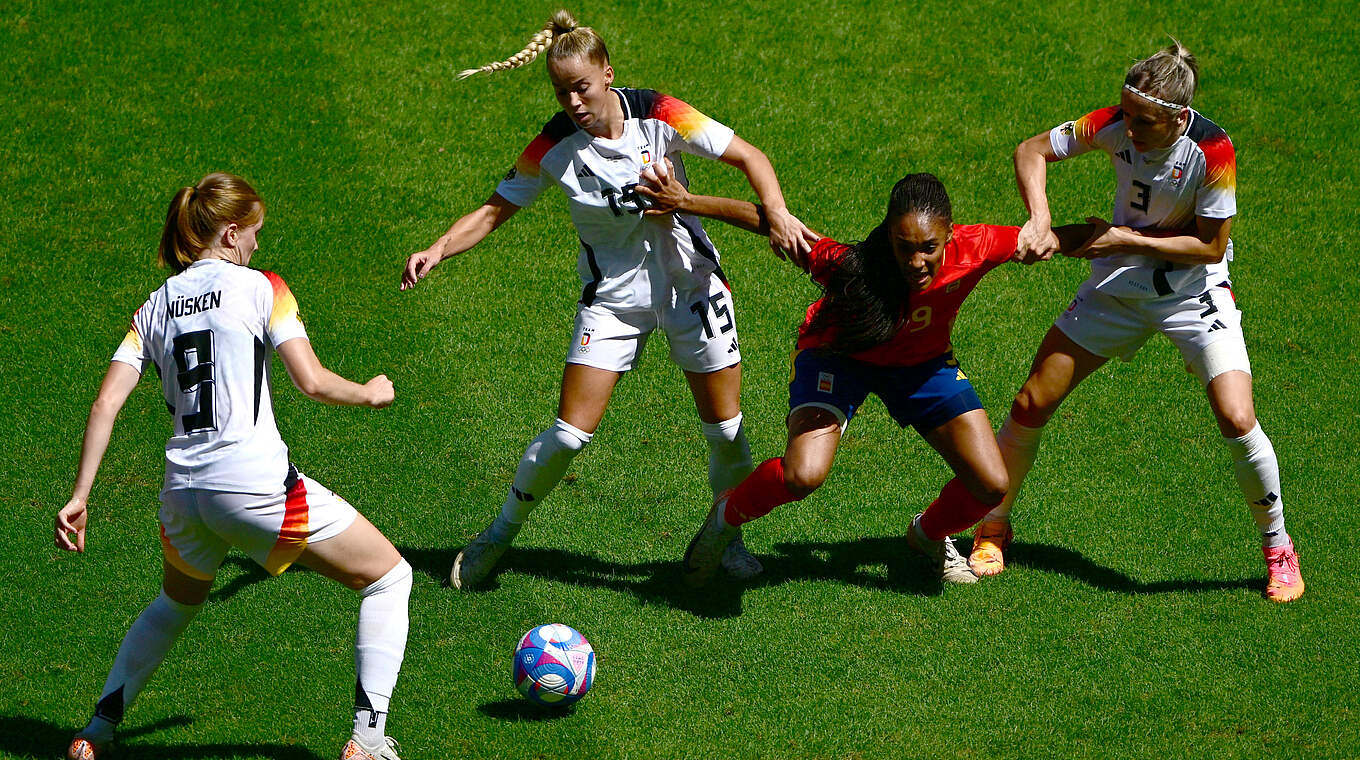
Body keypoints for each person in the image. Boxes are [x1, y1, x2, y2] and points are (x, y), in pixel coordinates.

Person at [401, 10, 813, 589]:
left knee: (725, 428)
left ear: (607, 74)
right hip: (614, 301)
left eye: (581, 88)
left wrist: (778, 213)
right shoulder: (552, 145)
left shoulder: (660, 111)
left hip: (691, 284)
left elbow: (750, 156)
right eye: (561, 90)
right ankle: (497, 536)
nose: (572, 101)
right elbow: (495, 209)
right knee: (570, 435)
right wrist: (438, 248)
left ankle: (727, 536)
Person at [56, 173, 411, 760]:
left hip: (183, 495)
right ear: (229, 231)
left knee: (175, 603)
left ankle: (97, 731)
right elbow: (313, 382)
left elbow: (106, 403)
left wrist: (80, 494)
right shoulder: (261, 287)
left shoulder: (154, 307)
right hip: (253, 485)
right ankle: (369, 741)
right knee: (389, 578)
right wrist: (372, 391)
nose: (257, 246)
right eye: (254, 233)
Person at [634, 165, 1096, 586]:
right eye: (903, 246)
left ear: (950, 236)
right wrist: (687, 202)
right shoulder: (853, 267)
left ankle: (928, 535)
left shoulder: (976, 246)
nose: (916, 262)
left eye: (928, 248)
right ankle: (723, 521)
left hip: (922, 366)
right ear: (888, 235)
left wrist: (1129, 242)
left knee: (992, 483)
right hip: (839, 359)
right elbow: (770, 222)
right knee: (803, 474)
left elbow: (1051, 238)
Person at [967, 41, 1305, 603]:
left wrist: (1123, 238)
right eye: (1124, 113)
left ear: (1177, 117)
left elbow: (1210, 245)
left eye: (1143, 121)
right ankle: (993, 524)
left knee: (1236, 415)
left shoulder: (1214, 151)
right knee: (1031, 403)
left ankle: (1277, 546)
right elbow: (1031, 151)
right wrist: (1040, 218)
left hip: (1192, 294)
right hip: (1120, 287)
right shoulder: (1114, 123)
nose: (1129, 128)